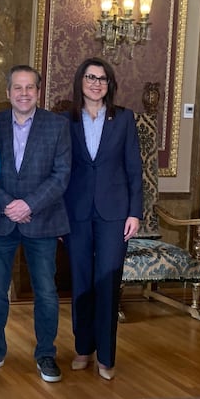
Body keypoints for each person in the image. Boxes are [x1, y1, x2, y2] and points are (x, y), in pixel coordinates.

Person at [0, 64, 71, 383]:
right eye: (18, 87)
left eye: (30, 87)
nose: (24, 93)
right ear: (8, 92)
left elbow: (61, 175)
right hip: (1, 219)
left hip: (42, 219)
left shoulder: (57, 126)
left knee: (46, 292)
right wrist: (7, 205)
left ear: (38, 92)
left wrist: (29, 204)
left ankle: (46, 354)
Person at [62, 57, 142, 380]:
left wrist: (135, 212)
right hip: (76, 213)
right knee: (81, 281)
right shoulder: (65, 119)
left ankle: (106, 357)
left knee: (108, 283)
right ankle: (83, 348)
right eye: (91, 77)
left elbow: (134, 169)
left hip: (115, 213)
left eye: (102, 79)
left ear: (109, 85)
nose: (96, 83)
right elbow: (61, 171)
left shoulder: (124, 119)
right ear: (80, 81)